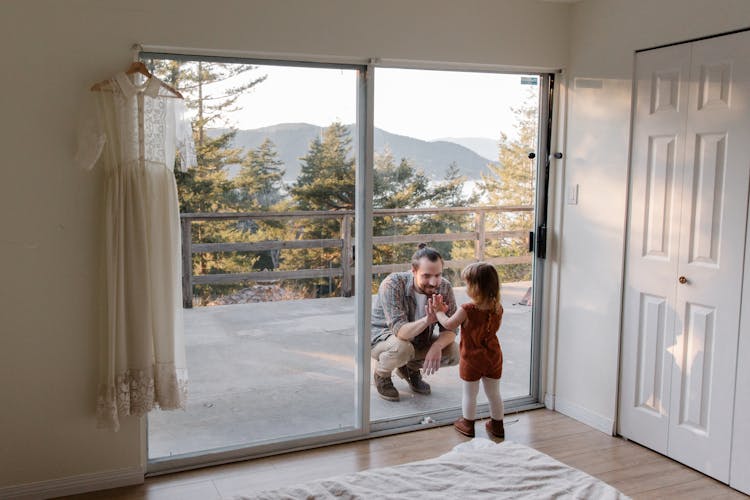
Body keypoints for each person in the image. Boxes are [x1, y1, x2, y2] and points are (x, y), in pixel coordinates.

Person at [370, 244, 460, 402]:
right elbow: (401, 331)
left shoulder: (444, 287)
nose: (433, 282)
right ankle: (382, 374)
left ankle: (409, 369)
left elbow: (451, 329)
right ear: (414, 271)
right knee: (402, 347)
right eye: (426, 276)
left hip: (416, 341)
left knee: (454, 352)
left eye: (438, 275)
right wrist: (428, 320)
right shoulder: (392, 284)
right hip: (383, 339)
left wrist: (437, 346)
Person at [429, 262, 505, 439]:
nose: (466, 287)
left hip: (472, 359)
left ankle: (468, 424)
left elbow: (448, 324)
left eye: (467, 284)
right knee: (494, 394)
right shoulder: (497, 308)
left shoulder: (467, 309)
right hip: (493, 356)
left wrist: (439, 311)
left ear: (476, 287)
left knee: (470, 394)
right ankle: (497, 426)